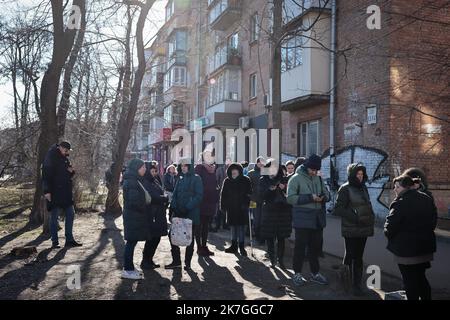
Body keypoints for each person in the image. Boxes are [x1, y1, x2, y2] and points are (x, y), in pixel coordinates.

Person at [384, 175, 437, 300]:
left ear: (406, 187)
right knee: (421, 278)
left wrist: (389, 234)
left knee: (410, 282)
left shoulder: (400, 203)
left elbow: (390, 227)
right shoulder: (426, 198)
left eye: (397, 187)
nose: (394, 190)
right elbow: (433, 221)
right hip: (424, 249)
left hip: (406, 252)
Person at [287, 154, 330, 286]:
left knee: (315, 248)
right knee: (300, 248)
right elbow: (290, 198)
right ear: (307, 167)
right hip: (302, 219)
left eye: (316, 170)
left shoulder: (318, 178)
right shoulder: (295, 179)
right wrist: (310, 197)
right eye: (313, 170)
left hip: (317, 219)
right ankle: (297, 274)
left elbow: (327, 194)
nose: (314, 172)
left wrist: (323, 197)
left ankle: (315, 273)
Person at [333, 163, 375, 296]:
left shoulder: (363, 188)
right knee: (350, 254)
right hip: (351, 228)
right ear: (352, 174)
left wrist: (370, 217)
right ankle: (345, 281)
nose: (360, 177)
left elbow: (367, 205)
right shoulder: (345, 189)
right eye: (358, 174)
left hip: (363, 228)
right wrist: (355, 217)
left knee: (359, 257)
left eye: (362, 174)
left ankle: (357, 285)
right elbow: (338, 209)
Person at [42, 141, 82, 249]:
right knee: (54, 216)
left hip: (66, 192)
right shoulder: (50, 157)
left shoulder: (65, 158)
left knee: (71, 213)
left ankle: (69, 240)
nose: (68, 152)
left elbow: (67, 173)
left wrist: (71, 171)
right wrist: (46, 191)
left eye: (68, 150)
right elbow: (45, 175)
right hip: (54, 192)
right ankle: (55, 241)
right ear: (60, 147)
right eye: (66, 150)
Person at [167, 158, 203, 271]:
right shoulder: (180, 178)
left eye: (185, 166)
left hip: (191, 213)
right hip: (178, 212)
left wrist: (187, 207)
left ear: (189, 166)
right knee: (172, 236)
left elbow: (199, 196)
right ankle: (176, 261)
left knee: (189, 238)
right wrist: (173, 208)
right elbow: (175, 194)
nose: (183, 168)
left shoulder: (196, 178)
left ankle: (188, 263)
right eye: (181, 166)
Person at [121, 158, 151, 280]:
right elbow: (134, 202)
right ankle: (127, 269)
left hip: (133, 216)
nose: (145, 169)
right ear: (136, 168)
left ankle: (130, 267)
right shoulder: (132, 181)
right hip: (133, 216)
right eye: (143, 167)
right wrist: (144, 207)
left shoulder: (133, 179)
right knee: (131, 242)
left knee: (131, 242)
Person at [259, 162, 292, 268]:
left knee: (281, 237)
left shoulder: (284, 179)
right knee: (270, 238)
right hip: (269, 212)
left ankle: (280, 260)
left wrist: (284, 188)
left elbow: (290, 195)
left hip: (282, 213)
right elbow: (261, 196)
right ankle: (273, 260)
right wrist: (269, 190)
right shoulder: (263, 180)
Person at [141, 162, 169, 270]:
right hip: (152, 214)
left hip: (159, 213)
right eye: (151, 171)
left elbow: (159, 193)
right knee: (152, 238)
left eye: (154, 171)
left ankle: (149, 259)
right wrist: (164, 198)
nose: (153, 173)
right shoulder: (146, 182)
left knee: (156, 238)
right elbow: (152, 197)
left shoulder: (154, 180)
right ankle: (145, 261)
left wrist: (163, 198)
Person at [220, 163, 252, 256]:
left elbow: (249, 193)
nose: (234, 173)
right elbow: (223, 195)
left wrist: (246, 203)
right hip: (231, 208)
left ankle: (242, 247)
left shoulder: (246, 180)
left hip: (242, 209)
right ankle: (233, 246)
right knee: (233, 227)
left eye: (235, 171)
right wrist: (223, 206)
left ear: (239, 171)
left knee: (241, 228)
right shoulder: (227, 181)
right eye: (232, 172)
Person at [195, 151, 219, 257]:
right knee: (199, 226)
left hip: (210, 202)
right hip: (201, 201)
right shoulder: (199, 168)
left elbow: (214, 183)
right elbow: (197, 184)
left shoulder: (213, 169)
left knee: (206, 226)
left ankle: (204, 246)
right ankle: (199, 247)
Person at [248, 156, 265, 243]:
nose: (260, 164)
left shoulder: (266, 173)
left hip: (263, 200)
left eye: (262, 163)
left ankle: (261, 238)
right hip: (253, 200)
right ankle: (256, 235)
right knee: (255, 219)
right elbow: (247, 186)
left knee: (262, 220)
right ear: (257, 163)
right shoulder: (251, 173)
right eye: (259, 162)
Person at [214, 158, 232, 231]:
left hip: (229, 193)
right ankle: (218, 225)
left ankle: (225, 225)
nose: (228, 163)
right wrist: (218, 189)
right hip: (220, 192)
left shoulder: (232, 170)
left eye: (230, 161)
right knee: (219, 209)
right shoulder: (220, 170)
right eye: (227, 161)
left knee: (227, 209)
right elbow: (216, 181)